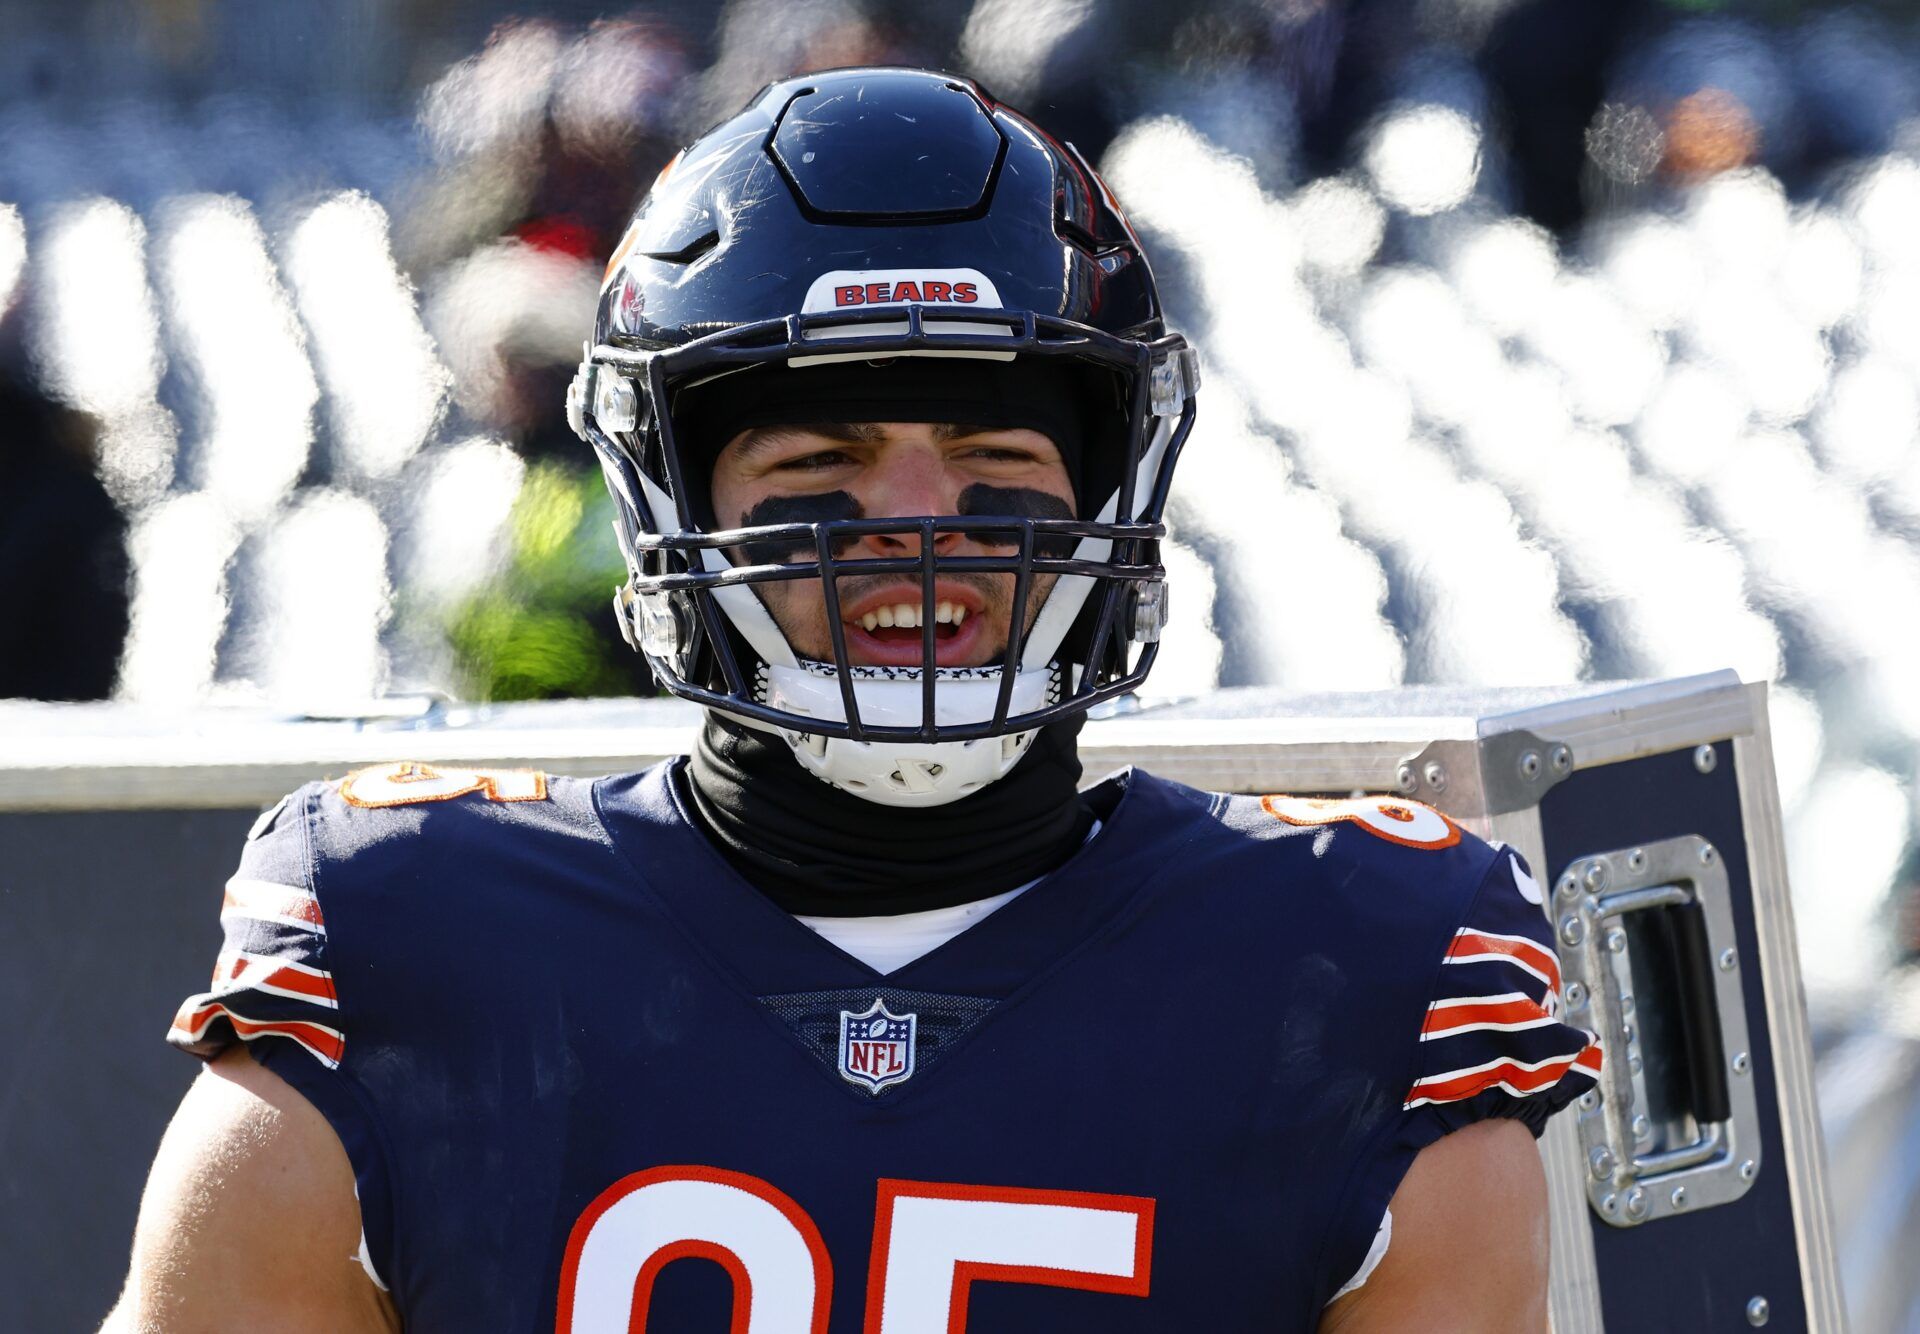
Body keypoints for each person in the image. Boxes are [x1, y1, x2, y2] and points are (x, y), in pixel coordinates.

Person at [106, 68, 1598, 1332]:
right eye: (817, 466)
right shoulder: (404, 940)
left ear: (1112, 495)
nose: (914, 523)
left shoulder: (1361, 969)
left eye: (994, 460)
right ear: (674, 504)